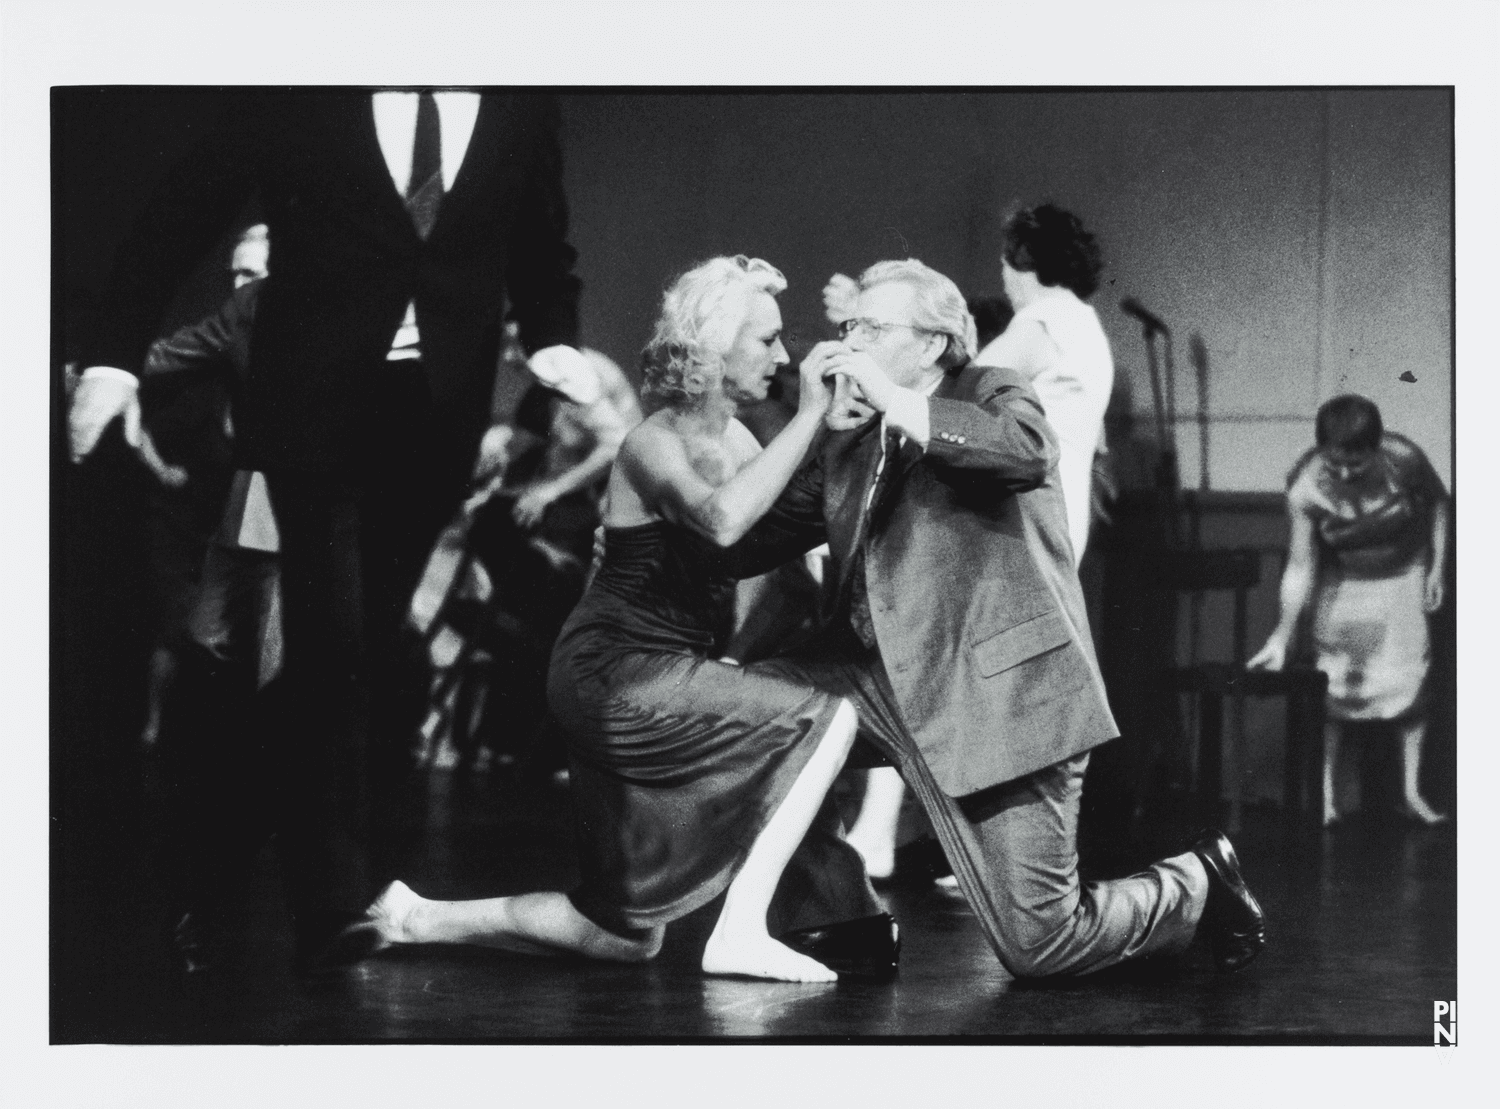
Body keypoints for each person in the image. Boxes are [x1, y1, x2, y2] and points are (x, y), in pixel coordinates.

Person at [68, 90, 588, 973]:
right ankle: (330, 905)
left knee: (358, 655)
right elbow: (182, 208)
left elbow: (541, 245)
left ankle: (208, 864)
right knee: (331, 642)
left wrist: (550, 336)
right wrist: (113, 361)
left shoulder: (519, 101)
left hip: (435, 416)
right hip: (312, 410)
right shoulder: (305, 85)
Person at [356, 256, 886, 982]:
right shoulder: (652, 441)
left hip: (657, 667)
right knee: (826, 717)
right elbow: (724, 521)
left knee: (622, 934)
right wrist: (809, 418)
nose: (782, 358)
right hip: (613, 670)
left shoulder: (738, 442)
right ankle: (739, 931)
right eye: (766, 340)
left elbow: (777, 530)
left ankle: (414, 916)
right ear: (714, 348)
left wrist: (843, 435)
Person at [733, 258, 1265, 977]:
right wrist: (804, 426)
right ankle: (840, 912)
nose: (849, 341)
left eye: (870, 327)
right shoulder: (852, 435)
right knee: (734, 715)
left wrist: (897, 401)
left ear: (932, 342)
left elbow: (1026, 450)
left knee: (1041, 944)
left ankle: (1196, 882)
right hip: (873, 682)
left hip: (1000, 701)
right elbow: (751, 537)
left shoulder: (989, 389)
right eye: (848, 325)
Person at [1248, 394, 1450, 827]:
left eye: (1355, 465)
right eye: (1333, 463)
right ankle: (1326, 797)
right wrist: (1282, 634)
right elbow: (1300, 564)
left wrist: (1437, 568)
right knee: (1335, 686)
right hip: (1344, 578)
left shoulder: (1404, 459)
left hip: (1403, 574)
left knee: (1408, 684)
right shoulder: (1306, 483)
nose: (1343, 474)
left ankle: (1411, 792)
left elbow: (1438, 506)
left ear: (1375, 449)